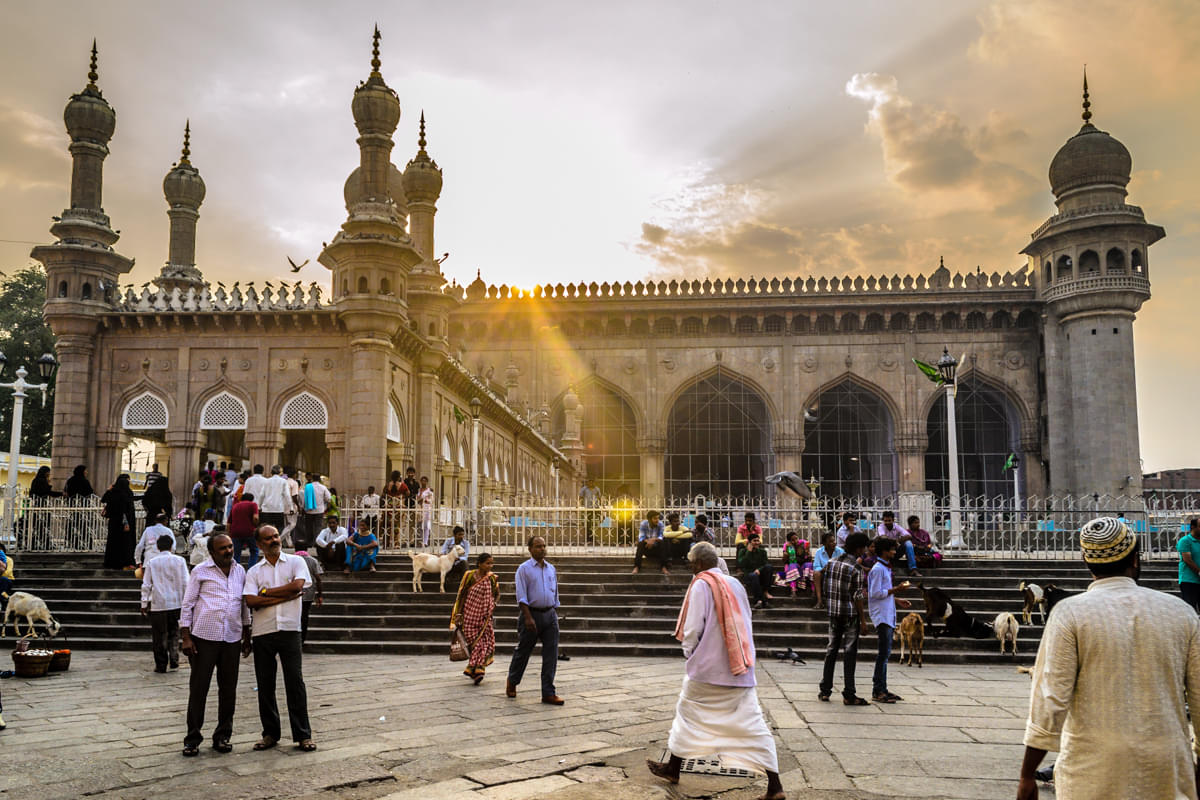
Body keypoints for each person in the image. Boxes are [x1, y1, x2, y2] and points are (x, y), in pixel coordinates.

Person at [1018, 517, 1200, 800]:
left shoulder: (1070, 614)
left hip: (1093, 767)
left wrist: (1027, 774)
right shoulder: (1181, 613)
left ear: (1086, 562)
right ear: (1136, 559)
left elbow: (1050, 697)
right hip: (1167, 764)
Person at [646, 541, 784, 800]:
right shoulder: (734, 584)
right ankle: (775, 785)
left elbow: (693, 628)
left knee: (687, 713)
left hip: (708, 669)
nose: (689, 567)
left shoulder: (701, 583)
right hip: (739, 667)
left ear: (698, 563)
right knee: (753, 724)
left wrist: (691, 653)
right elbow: (746, 620)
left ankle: (673, 768)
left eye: (690, 562)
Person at [243, 524, 316, 753]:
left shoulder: (296, 561)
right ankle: (270, 733)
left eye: (276, 535)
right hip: (263, 631)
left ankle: (303, 735)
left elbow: (298, 586)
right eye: (268, 538)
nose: (274, 540)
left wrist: (266, 593)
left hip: (289, 629)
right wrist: (283, 596)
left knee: (295, 682)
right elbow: (250, 602)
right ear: (259, 544)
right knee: (265, 685)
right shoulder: (254, 571)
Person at [179, 533, 252, 757]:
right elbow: (187, 604)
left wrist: (247, 634)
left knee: (228, 690)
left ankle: (222, 736)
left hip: (231, 637)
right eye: (223, 548)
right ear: (212, 552)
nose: (228, 551)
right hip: (203, 638)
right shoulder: (200, 571)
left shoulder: (240, 571)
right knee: (199, 689)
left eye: (230, 546)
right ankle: (192, 738)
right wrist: (186, 637)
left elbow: (244, 605)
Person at [506, 535, 562, 705]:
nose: (542, 549)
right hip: (531, 615)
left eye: (544, 546)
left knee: (551, 654)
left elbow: (555, 591)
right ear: (530, 549)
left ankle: (548, 692)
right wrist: (528, 617)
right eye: (538, 546)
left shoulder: (551, 568)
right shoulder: (524, 569)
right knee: (523, 651)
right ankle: (512, 681)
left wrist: (554, 611)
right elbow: (521, 596)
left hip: (550, 615)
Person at [819, 532, 871, 705]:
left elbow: (825, 584)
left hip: (833, 613)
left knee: (831, 650)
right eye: (863, 548)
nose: (864, 551)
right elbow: (857, 597)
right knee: (849, 654)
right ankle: (849, 693)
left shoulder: (831, 563)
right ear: (858, 548)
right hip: (850, 616)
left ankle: (825, 690)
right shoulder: (855, 569)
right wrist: (863, 621)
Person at [866, 537, 912, 704]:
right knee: (883, 654)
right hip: (882, 616)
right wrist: (897, 589)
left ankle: (882, 688)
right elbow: (875, 593)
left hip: (887, 612)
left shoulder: (884, 568)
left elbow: (883, 592)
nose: (894, 552)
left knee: (885, 654)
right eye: (892, 549)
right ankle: (878, 689)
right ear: (885, 551)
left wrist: (897, 598)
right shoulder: (878, 569)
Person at [141, 534, 189, 673]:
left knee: (159, 635)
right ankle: (174, 659)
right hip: (177, 603)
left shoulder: (152, 562)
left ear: (157, 546)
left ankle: (161, 664)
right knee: (174, 631)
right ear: (171, 546)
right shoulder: (180, 561)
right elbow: (186, 582)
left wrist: (144, 603)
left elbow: (146, 585)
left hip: (159, 604)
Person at [450, 552, 500, 685]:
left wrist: (491, 605)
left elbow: (497, 595)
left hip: (485, 616)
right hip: (470, 614)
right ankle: (474, 668)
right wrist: (458, 614)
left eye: (491, 563)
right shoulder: (470, 576)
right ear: (479, 563)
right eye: (487, 563)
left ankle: (478, 669)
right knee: (475, 642)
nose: (490, 566)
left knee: (483, 643)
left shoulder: (492, 578)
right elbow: (462, 594)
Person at [102, 474, 138, 570]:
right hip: (124, 524)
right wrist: (126, 523)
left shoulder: (113, 493)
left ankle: (112, 562)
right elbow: (125, 511)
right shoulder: (126, 494)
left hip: (114, 523)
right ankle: (125, 562)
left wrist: (109, 489)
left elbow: (103, 499)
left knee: (113, 543)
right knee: (125, 543)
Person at [876, 511, 920, 577]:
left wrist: (897, 541)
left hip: (896, 550)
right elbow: (883, 538)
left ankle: (913, 569)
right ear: (883, 520)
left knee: (908, 543)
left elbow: (909, 536)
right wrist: (894, 542)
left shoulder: (897, 526)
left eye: (889, 520)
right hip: (885, 552)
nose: (887, 522)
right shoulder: (881, 527)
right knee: (883, 543)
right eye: (885, 521)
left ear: (893, 520)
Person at [737, 533, 773, 609]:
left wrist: (759, 569)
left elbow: (765, 563)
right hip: (748, 575)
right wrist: (748, 552)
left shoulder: (762, 551)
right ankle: (760, 600)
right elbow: (742, 564)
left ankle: (766, 591)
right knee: (753, 576)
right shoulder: (743, 551)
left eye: (758, 540)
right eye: (754, 541)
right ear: (749, 542)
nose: (757, 542)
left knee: (769, 567)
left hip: (760, 574)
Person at [294, 550, 323, 644]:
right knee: (304, 615)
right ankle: (302, 639)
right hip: (308, 593)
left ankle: (295, 637)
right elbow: (318, 578)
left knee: (295, 616)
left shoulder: (291, 560)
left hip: (294, 593)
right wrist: (319, 595)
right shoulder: (313, 560)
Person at [811, 532, 844, 610]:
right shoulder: (819, 552)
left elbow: (844, 564)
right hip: (823, 574)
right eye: (831, 541)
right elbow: (816, 566)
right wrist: (823, 569)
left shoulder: (840, 551)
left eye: (834, 541)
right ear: (825, 544)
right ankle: (819, 601)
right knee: (816, 573)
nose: (834, 543)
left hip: (836, 574)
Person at [227, 492, 260, 568]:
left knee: (236, 553)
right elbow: (256, 518)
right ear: (252, 499)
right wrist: (256, 526)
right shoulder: (253, 505)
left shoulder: (235, 506)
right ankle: (251, 569)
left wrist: (229, 534)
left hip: (235, 532)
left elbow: (229, 523)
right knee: (254, 551)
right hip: (250, 532)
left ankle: (236, 570)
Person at [299, 473, 331, 550]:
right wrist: (326, 508)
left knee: (309, 527)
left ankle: (309, 542)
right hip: (319, 510)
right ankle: (316, 543)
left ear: (312, 478)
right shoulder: (323, 487)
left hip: (309, 511)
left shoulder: (307, 487)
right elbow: (328, 499)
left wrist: (303, 508)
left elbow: (304, 499)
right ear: (319, 479)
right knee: (318, 527)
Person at [774, 531, 810, 598]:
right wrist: (786, 554)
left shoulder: (803, 543)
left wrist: (807, 552)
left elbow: (808, 558)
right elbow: (785, 561)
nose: (795, 541)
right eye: (792, 540)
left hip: (801, 567)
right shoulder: (787, 546)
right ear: (789, 541)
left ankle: (812, 590)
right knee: (792, 566)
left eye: (796, 538)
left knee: (809, 565)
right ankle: (793, 590)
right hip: (791, 568)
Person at [257, 466, 292, 533]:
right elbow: (287, 495)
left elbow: (261, 495)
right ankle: (276, 540)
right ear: (280, 472)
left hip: (266, 509)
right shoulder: (284, 481)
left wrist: (259, 506)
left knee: (266, 528)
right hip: (278, 509)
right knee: (279, 528)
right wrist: (291, 508)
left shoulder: (266, 481)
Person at [633, 510, 668, 574]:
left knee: (663, 542)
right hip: (647, 548)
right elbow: (641, 537)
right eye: (655, 518)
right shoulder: (643, 524)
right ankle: (637, 567)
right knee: (640, 544)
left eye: (658, 518)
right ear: (649, 519)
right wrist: (648, 541)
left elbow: (661, 536)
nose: (657, 520)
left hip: (657, 550)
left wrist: (653, 540)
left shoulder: (660, 524)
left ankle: (664, 566)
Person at [1177, 518, 1200, 612]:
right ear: (1193, 527)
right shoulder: (1185, 541)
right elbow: (1187, 560)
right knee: (1191, 609)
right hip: (1189, 581)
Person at [416, 476, 434, 546]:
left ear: (427, 482)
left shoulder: (429, 491)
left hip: (427, 508)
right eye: (422, 480)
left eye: (425, 481)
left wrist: (423, 500)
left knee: (426, 525)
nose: (423, 482)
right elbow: (417, 499)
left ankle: (425, 541)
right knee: (419, 525)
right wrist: (420, 499)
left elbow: (430, 500)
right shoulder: (419, 490)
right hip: (420, 508)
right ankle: (420, 540)